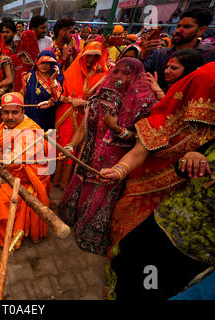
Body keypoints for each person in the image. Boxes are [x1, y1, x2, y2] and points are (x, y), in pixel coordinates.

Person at [99, 61, 215, 264]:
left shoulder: (147, 101)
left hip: (187, 208)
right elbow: (138, 151)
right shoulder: (167, 117)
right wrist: (118, 170)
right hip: (143, 187)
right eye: (115, 71)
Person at [57, 58, 158, 255]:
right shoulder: (99, 96)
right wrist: (71, 145)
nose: (119, 77)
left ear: (136, 76)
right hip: (86, 158)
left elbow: (142, 142)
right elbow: (86, 126)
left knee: (99, 199)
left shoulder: (145, 103)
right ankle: (71, 220)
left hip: (113, 164)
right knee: (78, 189)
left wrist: (117, 129)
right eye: (117, 71)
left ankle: (88, 234)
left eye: (126, 73)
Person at [106, 138, 214, 299]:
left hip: (191, 249)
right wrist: (190, 158)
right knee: (131, 264)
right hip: (163, 220)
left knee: (150, 286)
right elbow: (182, 168)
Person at [0, 92, 51, 249]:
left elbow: (16, 157)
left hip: (28, 181)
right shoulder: (4, 126)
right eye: (6, 112)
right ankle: (7, 236)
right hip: (13, 177)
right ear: (1, 113)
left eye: (14, 112)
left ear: (23, 111)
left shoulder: (30, 131)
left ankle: (10, 239)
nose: (9, 117)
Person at [52, 41, 109, 189]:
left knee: (77, 146)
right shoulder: (72, 70)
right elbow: (61, 93)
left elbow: (103, 101)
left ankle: (67, 182)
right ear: (83, 55)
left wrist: (84, 103)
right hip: (65, 112)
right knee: (62, 143)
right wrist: (70, 100)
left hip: (85, 115)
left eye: (95, 56)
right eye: (88, 56)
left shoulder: (104, 76)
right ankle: (55, 178)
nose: (90, 60)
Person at [141, 8, 215, 89]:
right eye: (178, 26)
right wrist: (143, 54)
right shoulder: (161, 54)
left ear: (201, 30)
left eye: (187, 27)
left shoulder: (210, 55)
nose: (178, 31)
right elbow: (138, 73)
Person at [20, 51, 63, 131]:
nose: (44, 65)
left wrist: (53, 79)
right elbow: (22, 93)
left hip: (46, 117)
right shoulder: (30, 76)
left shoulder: (55, 79)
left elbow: (57, 97)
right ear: (37, 62)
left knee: (45, 141)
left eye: (48, 63)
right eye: (42, 62)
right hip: (29, 115)